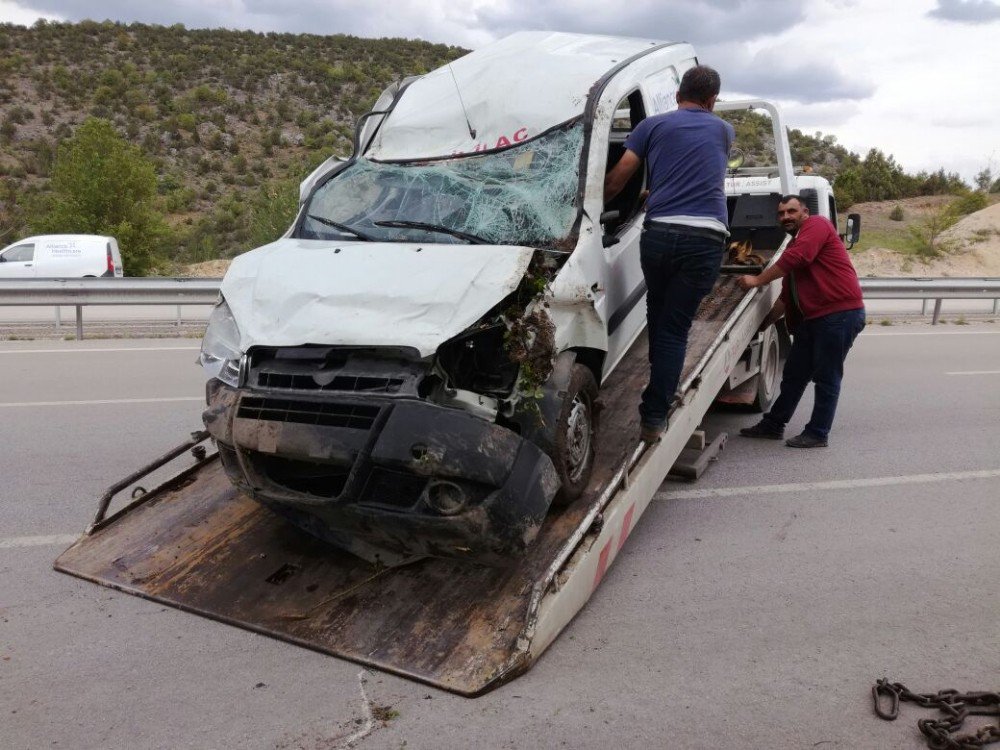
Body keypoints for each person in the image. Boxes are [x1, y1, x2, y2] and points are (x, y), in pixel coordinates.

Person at [604, 65, 734, 444]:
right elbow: (697, 170)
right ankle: (655, 413)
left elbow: (618, 178)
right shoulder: (724, 130)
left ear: (678, 94)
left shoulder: (650, 127)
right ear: (712, 101)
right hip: (705, 239)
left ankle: (658, 398)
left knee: (658, 320)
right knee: (674, 328)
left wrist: (595, 212)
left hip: (659, 234)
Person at [736, 195, 865, 448]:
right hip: (814, 319)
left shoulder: (817, 225)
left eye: (791, 211)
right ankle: (773, 425)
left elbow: (799, 259)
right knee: (794, 374)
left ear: (804, 212)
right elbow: (786, 298)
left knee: (826, 377)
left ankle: (818, 433)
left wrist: (757, 280)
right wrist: (763, 323)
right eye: (782, 213)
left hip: (838, 315)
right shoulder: (795, 245)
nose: (786, 217)